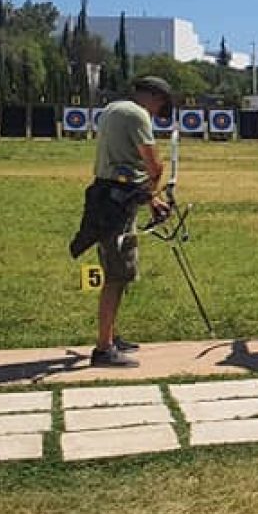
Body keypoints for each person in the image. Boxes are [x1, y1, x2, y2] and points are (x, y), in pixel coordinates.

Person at [68, 76, 174, 368]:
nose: (157, 112)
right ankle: (103, 348)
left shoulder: (114, 108)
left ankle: (111, 335)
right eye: (160, 105)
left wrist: (151, 198)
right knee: (117, 275)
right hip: (119, 201)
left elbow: (127, 163)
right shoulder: (137, 114)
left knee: (118, 270)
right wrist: (154, 191)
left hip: (108, 195)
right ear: (153, 96)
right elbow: (153, 164)